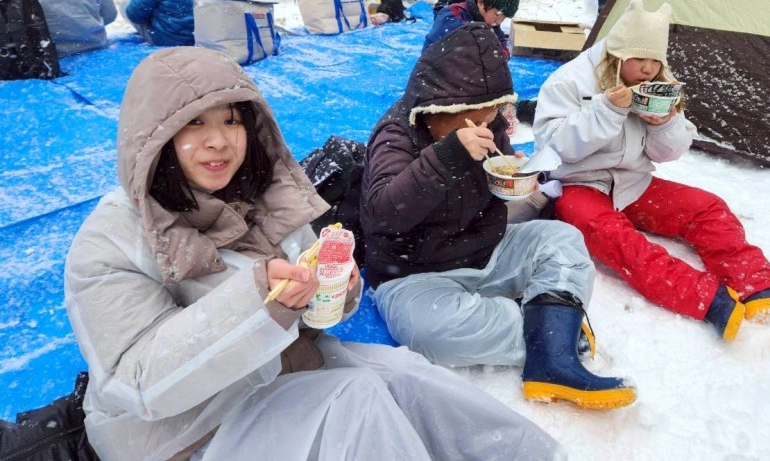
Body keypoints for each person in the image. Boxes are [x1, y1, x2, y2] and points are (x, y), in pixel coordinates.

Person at [64, 46, 566, 461]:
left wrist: (337, 292)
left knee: (415, 381)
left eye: (232, 121)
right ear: (154, 138)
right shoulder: (112, 239)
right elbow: (140, 385)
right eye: (193, 123)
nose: (218, 141)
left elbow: (312, 312)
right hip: (188, 432)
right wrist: (259, 304)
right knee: (357, 404)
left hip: (287, 371)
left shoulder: (264, 197)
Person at [361, 23, 636, 411]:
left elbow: (496, 167)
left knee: (561, 239)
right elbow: (382, 215)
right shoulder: (397, 136)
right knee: (430, 334)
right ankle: (556, 332)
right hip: (415, 273)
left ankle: (550, 349)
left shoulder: (488, 122)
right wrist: (447, 156)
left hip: (484, 249)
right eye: (472, 118)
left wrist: (516, 173)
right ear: (436, 108)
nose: (484, 125)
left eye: (491, 113)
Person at [532, 0, 770, 341]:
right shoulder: (569, 82)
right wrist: (607, 111)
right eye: (639, 60)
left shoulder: (658, 84)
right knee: (613, 236)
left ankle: (759, 286)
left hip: (632, 183)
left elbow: (669, 152)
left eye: (655, 61)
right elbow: (555, 148)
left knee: (707, 207)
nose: (648, 69)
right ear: (617, 54)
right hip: (577, 185)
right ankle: (708, 299)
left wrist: (664, 123)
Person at [423, 0, 526, 59]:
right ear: (481, 3)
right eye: (497, 15)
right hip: (433, 70)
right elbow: (470, 46)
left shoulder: (491, 23)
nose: (498, 22)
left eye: (503, 18)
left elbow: (503, 43)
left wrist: (502, 53)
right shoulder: (452, 15)